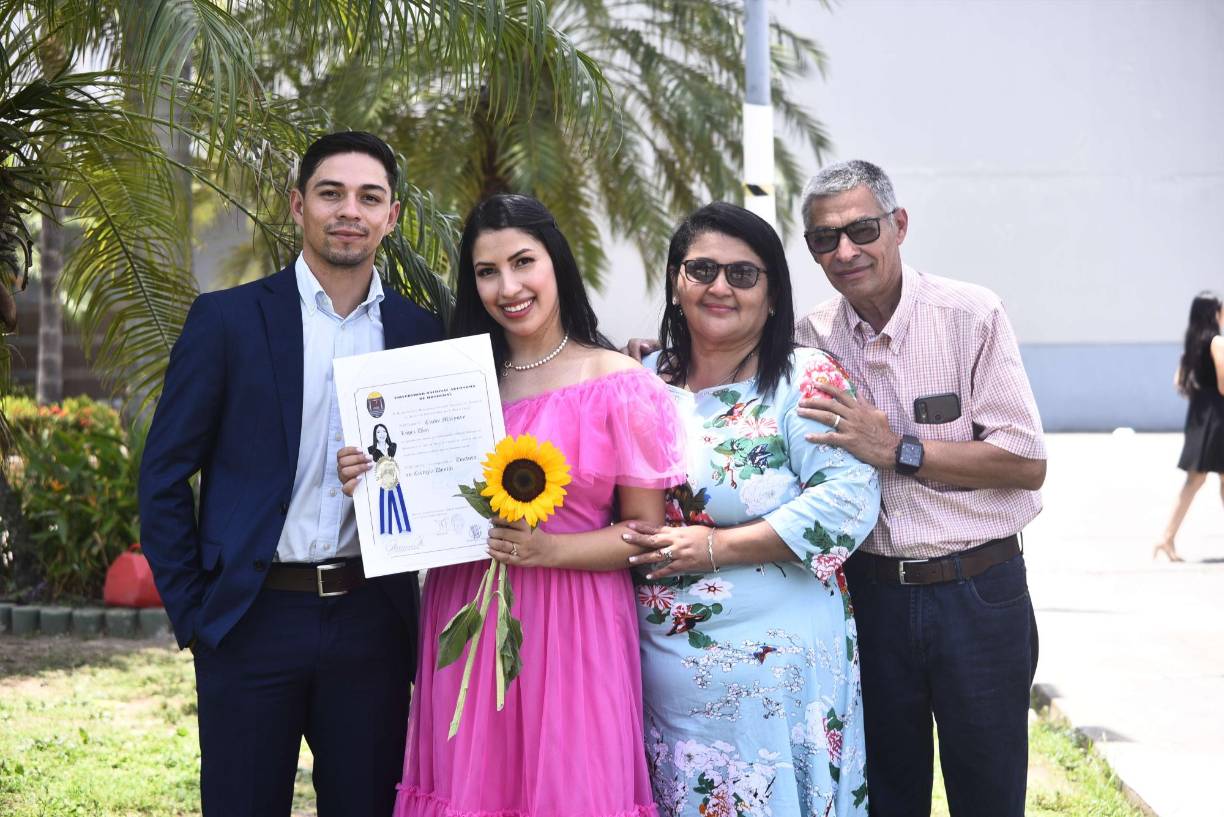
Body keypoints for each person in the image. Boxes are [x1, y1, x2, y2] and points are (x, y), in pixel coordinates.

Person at [339, 193, 686, 817]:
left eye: (524, 262)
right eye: (487, 271)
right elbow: (417, 500)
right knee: (474, 790)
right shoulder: (454, 383)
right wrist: (370, 475)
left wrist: (549, 549)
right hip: (466, 613)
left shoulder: (619, 382)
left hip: (576, 622)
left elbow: (646, 531)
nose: (509, 286)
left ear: (556, 261)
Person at [138, 131, 442, 817]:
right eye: (331, 193)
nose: (350, 211)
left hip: (372, 621)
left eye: (370, 197)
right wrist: (195, 614)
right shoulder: (227, 322)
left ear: (391, 216)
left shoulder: (420, 333)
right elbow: (162, 476)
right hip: (251, 620)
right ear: (297, 204)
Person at [792, 160, 1046, 817]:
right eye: (825, 238)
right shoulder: (809, 338)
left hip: (978, 592)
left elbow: (1024, 461)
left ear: (899, 225)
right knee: (885, 798)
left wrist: (897, 449)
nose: (845, 251)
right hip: (868, 597)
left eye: (862, 229)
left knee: (988, 797)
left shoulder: (971, 314)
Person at [621, 202, 881, 817]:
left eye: (743, 274)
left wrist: (715, 547)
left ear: (772, 295)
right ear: (675, 281)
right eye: (701, 269)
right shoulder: (640, 380)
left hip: (778, 678)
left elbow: (847, 501)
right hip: (660, 669)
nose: (719, 286)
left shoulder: (804, 378)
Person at [1155, 291, 1224, 561]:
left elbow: (1178, 381)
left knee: (1198, 479)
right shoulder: (1217, 342)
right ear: (1213, 313)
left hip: (1199, 414)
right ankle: (1166, 538)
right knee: (1200, 479)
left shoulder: (1192, 341)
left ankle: (1166, 538)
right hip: (1218, 417)